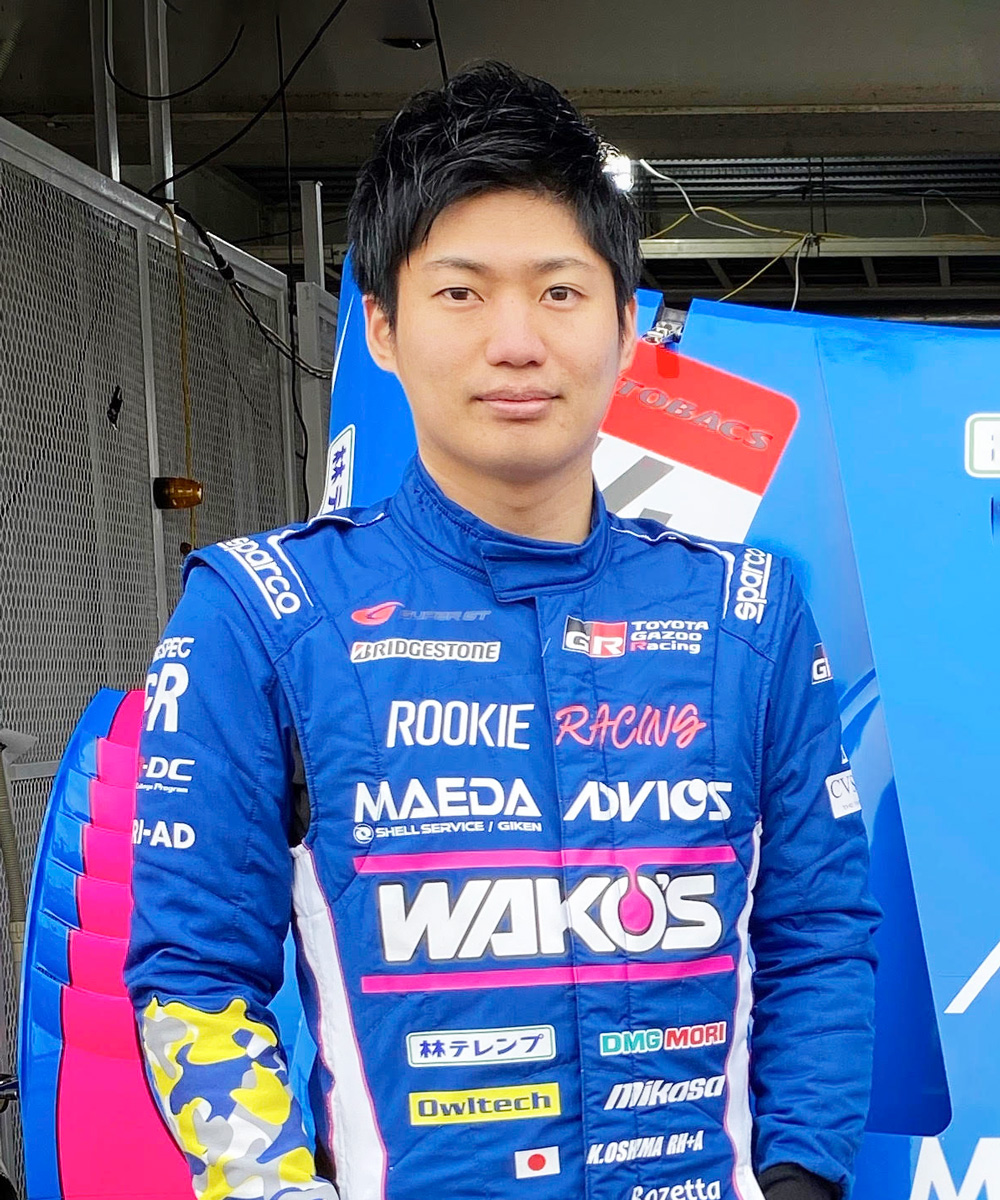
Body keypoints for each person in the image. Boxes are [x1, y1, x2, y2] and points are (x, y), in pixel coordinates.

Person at [125, 61, 879, 1200]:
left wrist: (800, 1184)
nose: (516, 341)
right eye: (461, 293)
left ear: (627, 326)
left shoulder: (748, 617)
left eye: (561, 292)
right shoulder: (261, 615)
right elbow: (192, 977)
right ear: (383, 327)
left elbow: (820, 936)